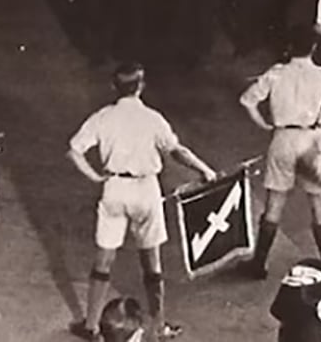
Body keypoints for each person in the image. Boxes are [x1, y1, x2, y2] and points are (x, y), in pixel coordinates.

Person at [66, 63, 219, 341]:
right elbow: (177, 151)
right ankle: (159, 326)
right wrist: (204, 169)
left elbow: (74, 150)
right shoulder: (152, 118)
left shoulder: (103, 117)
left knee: (103, 261)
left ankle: (90, 326)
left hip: (114, 188)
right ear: (141, 85)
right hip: (147, 190)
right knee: (152, 263)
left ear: (115, 87)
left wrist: (95, 177)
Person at [237, 26, 321, 280]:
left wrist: (265, 125)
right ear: (314, 48)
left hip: (283, 138)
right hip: (315, 141)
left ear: (289, 47)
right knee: (319, 205)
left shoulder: (276, 74)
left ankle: (259, 264)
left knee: (274, 204)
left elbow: (247, 100)